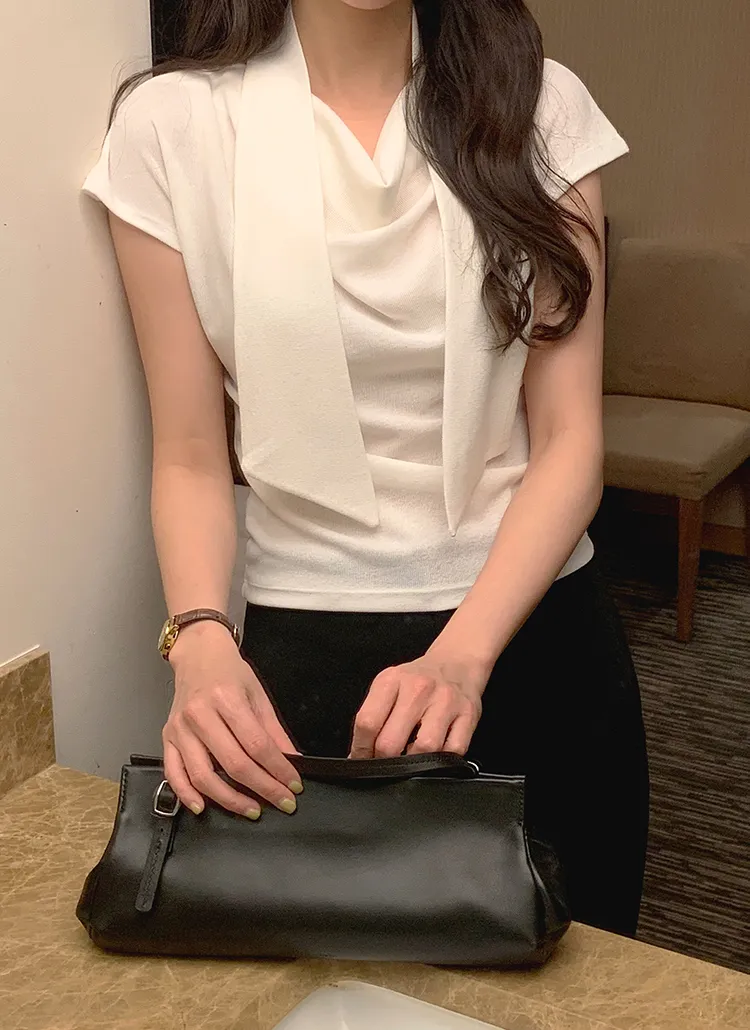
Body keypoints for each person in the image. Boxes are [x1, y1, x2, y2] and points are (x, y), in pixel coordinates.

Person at [84, 0, 649, 937]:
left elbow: (569, 442)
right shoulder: (172, 127)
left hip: (536, 639)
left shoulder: (541, 107)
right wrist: (200, 641)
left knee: (583, 984)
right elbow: (188, 453)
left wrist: (463, 656)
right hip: (301, 670)